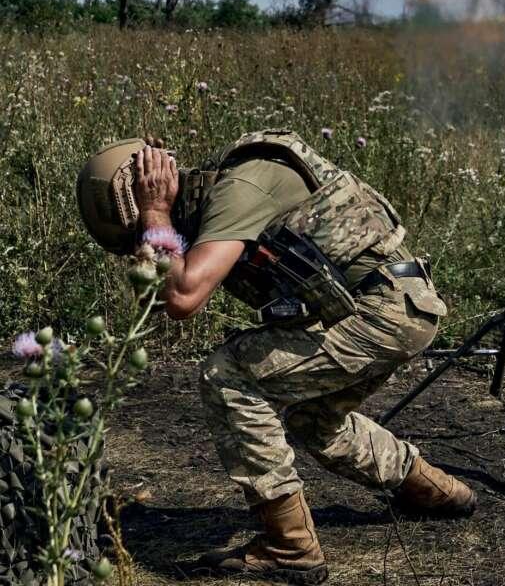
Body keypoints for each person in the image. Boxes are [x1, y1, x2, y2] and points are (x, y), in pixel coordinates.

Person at [76, 130, 477, 584]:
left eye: (140, 238)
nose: (146, 245)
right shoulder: (223, 199)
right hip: (390, 309)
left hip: (383, 310)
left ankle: (289, 546)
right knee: (315, 422)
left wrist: (152, 212)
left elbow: (183, 297)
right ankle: (437, 491)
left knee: (228, 373)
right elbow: (166, 292)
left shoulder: (237, 189)